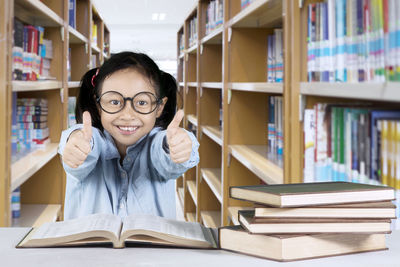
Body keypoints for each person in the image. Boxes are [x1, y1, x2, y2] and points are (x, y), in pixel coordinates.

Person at [58, 51, 199, 220]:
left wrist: (178, 146)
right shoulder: (89, 138)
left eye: (142, 102)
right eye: (115, 102)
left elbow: (166, 158)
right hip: (88, 246)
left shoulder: (159, 142)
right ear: (98, 105)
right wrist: (75, 147)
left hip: (150, 246)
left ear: (160, 107)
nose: (127, 115)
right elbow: (83, 149)